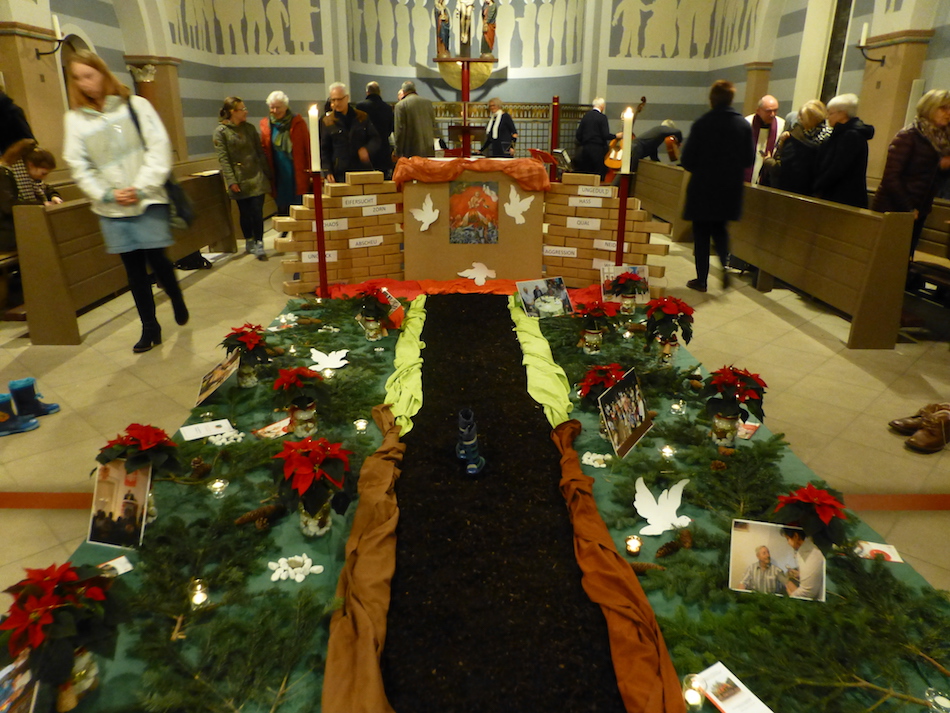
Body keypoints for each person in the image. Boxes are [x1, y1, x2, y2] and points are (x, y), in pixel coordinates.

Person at [63, 50, 188, 353]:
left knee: (157, 259)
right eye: (78, 78)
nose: (85, 84)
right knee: (133, 270)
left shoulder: (135, 106)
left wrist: (141, 187)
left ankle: (174, 294)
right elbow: (79, 165)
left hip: (147, 200)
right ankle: (150, 327)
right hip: (112, 208)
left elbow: (158, 148)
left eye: (89, 76)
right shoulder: (75, 120)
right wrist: (105, 193)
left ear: (103, 73)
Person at [679, 80, 753, 292]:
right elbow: (748, 159)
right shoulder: (743, 125)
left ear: (712, 99)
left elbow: (687, 160)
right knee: (721, 230)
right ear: (731, 99)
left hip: (703, 187)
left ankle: (701, 280)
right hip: (728, 188)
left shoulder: (703, 123)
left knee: (701, 233)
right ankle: (724, 267)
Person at [872, 89, 950, 259]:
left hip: (919, 208)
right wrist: (908, 208)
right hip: (894, 207)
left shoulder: (939, 141)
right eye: (943, 108)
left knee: (904, 257)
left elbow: (930, 176)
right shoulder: (909, 136)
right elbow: (891, 177)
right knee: (886, 257)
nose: (948, 113)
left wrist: (943, 166)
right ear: (929, 108)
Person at [213, 96, 272, 261]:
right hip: (239, 178)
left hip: (256, 175)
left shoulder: (250, 129)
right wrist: (231, 180)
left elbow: (259, 152)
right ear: (233, 112)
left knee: (257, 211)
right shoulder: (221, 132)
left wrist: (267, 173)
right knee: (245, 213)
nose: (246, 112)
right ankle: (249, 240)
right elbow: (224, 159)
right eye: (242, 109)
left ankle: (259, 243)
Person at [813, 93, 875, 209]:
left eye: (830, 113)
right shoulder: (840, 134)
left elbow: (837, 167)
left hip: (844, 199)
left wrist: (818, 186)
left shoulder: (851, 136)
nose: (827, 117)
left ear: (843, 113)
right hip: (835, 196)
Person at [260, 90, 310, 219]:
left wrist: (311, 171)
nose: (275, 111)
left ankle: (298, 233)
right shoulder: (266, 124)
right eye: (272, 107)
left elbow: (308, 147)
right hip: (278, 172)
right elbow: (264, 148)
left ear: (286, 106)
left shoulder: (298, 122)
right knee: (282, 206)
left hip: (296, 171)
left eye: (278, 107)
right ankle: (284, 233)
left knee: (299, 206)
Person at [763, 99, 828, 197]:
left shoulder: (795, 138)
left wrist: (768, 160)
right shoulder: (829, 138)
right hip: (814, 194)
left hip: (790, 193)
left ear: (806, 120)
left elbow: (782, 170)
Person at [321, 82, 381, 183]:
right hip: (339, 173)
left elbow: (376, 139)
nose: (336, 103)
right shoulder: (327, 121)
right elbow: (324, 150)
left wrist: (367, 149)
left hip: (361, 170)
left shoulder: (362, 117)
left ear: (347, 98)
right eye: (333, 100)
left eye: (339, 99)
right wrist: (327, 171)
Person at [0, 139, 36, 252]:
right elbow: (8, 206)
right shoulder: (3, 173)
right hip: (5, 232)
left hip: (6, 229)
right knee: (38, 236)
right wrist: (40, 204)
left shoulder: (5, 171)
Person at [574, 97, 621, 180]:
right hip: (597, 149)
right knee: (598, 174)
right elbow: (605, 135)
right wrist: (616, 136)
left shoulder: (586, 116)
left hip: (585, 149)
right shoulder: (602, 117)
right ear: (602, 106)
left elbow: (578, 135)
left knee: (587, 174)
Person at [356, 81, 395, 178]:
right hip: (383, 150)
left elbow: (356, 129)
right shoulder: (387, 108)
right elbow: (391, 128)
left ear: (367, 92)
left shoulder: (360, 106)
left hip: (366, 150)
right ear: (379, 92)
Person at [744, 95, 785, 185]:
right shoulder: (747, 123)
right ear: (758, 111)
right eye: (768, 111)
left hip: (767, 174)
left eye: (775, 110)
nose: (773, 114)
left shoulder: (781, 125)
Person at [394, 80, 439, 159]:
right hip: (429, 150)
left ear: (403, 91)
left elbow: (400, 130)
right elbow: (434, 125)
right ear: (414, 90)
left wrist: (397, 152)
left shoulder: (400, 105)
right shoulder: (428, 103)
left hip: (411, 151)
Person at [781, 528, 825, 601]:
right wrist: (799, 574)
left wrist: (790, 596)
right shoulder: (807, 549)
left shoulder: (809, 554)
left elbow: (808, 593)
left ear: (795, 536)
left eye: (788, 539)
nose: (788, 543)